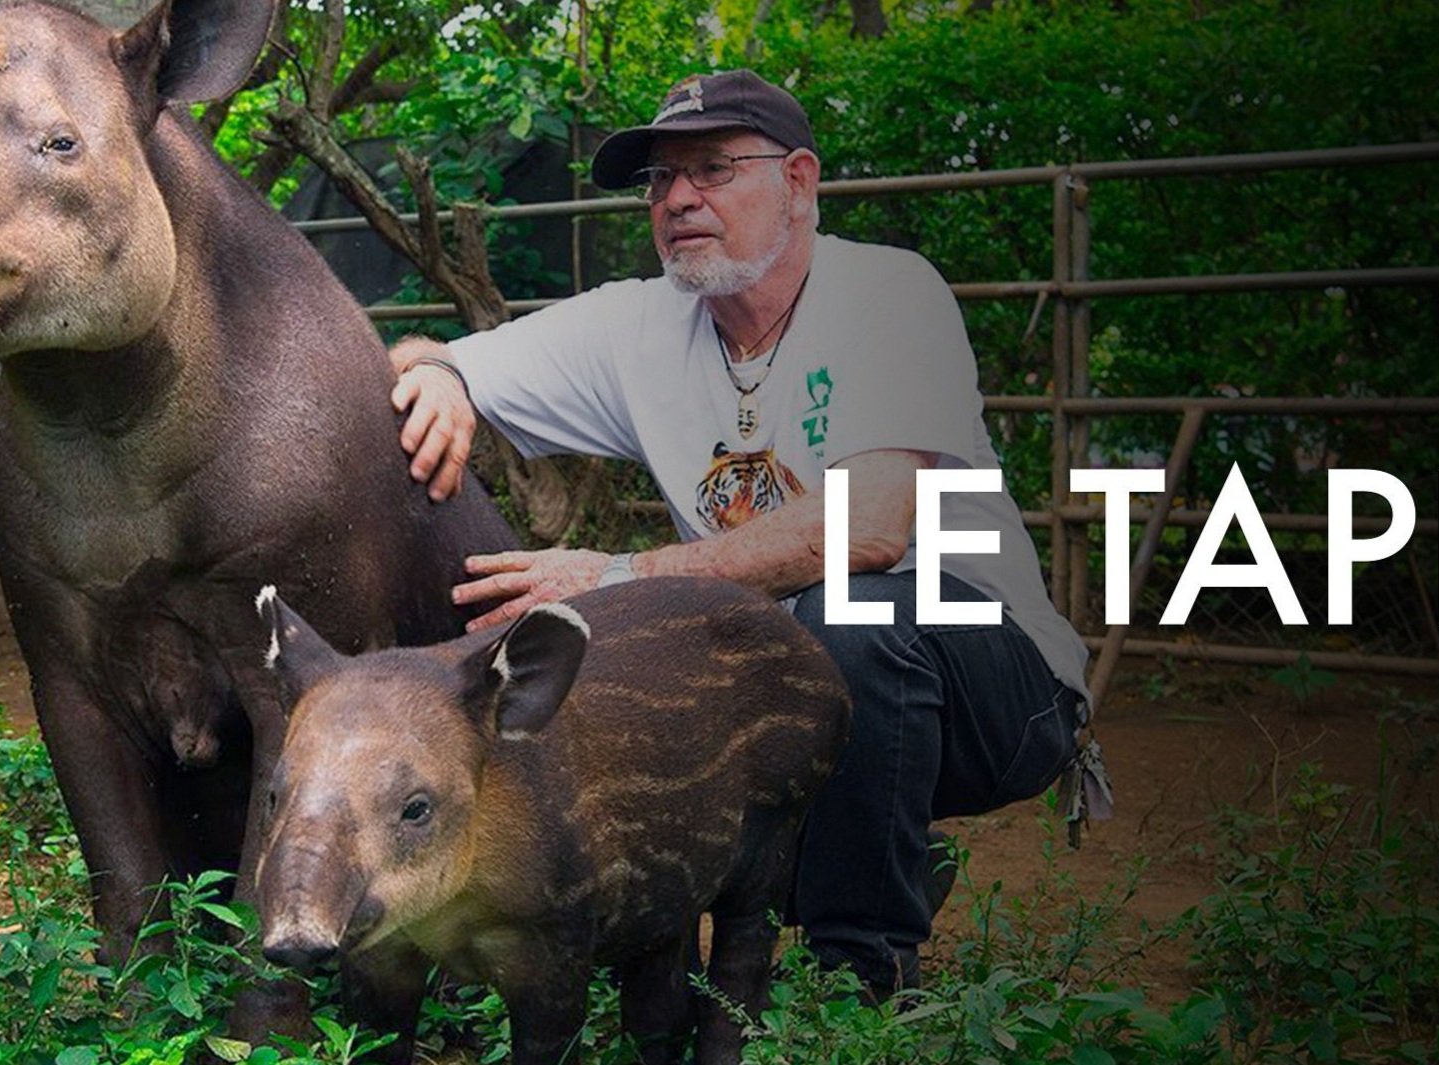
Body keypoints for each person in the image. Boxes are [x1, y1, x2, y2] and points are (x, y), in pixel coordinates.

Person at [387, 69, 1092, 998]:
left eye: (713, 169)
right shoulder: (639, 323)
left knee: (849, 614)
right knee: (691, 661)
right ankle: (653, 939)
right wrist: (435, 378)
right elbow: (430, 358)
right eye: (660, 181)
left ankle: (862, 976)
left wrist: (621, 574)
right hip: (803, 672)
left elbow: (873, 523)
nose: (679, 198)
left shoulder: (889, 292)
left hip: (996, 679)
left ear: (798, 182)